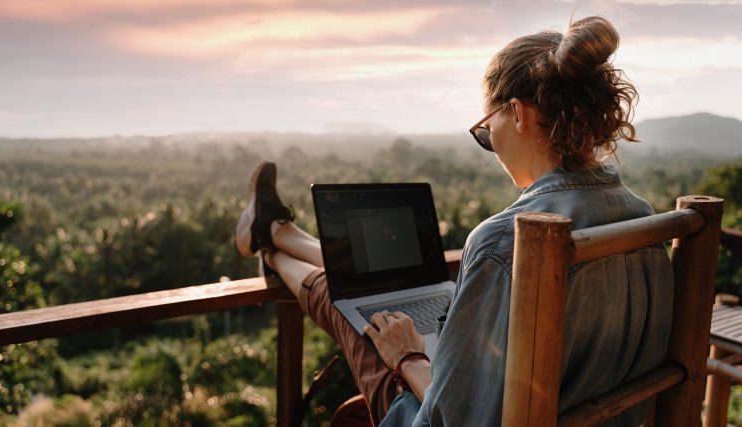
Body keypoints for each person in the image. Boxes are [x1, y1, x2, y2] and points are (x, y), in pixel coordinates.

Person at [235, 15, 673, 426]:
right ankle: (276, 234)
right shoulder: (644, 219)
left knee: (359, 312)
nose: (491, 143)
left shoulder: (507, 240)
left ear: (518, 114)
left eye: (486, 129)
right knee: (368, 292)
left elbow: (453, 419)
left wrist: (408, 357)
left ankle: (272, 245)